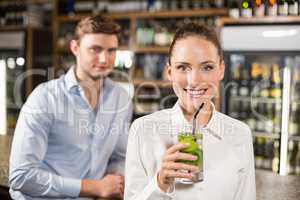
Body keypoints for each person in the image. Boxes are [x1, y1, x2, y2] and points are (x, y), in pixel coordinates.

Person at [125, 22, 255, 200]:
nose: (194, 80)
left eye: (207, 67)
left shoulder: (240, 133)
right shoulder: (142, 130)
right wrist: (160, 183)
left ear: (221, 70)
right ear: (170, 72)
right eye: (183, 67)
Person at [9, 15, 133, 200]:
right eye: (95, 49)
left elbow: (118, 156)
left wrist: (114, 181)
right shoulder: (45, 98)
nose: (104, 59)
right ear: (75, 48)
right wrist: (94, 188)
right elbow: (21, 176)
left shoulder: (120, 99)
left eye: (111, 50)